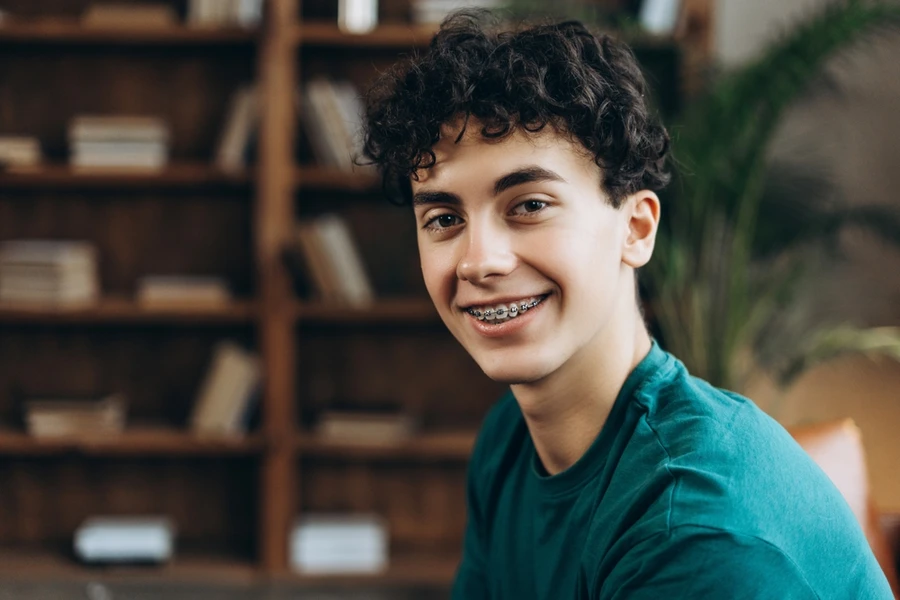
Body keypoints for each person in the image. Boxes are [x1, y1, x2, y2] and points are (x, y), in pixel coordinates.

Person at [360, 10, 894, 599]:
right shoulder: (510, 441)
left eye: (529, 205)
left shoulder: (695, 530)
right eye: (444, 218)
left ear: (636, 229)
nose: (478, 260)